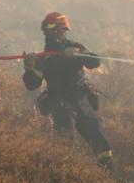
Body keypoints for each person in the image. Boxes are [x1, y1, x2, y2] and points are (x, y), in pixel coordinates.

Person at [23, 12, 113, 168]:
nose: (51, 33)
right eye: (48, 29)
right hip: (60, 102)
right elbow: (32, 85)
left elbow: (95, 62)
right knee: (65, 141)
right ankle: (64, 175)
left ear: (63, 30)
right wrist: (30, 69)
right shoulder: (43, 58)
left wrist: (79, 54)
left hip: (81, 100)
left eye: (56, 29)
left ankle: (108, 174)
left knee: (98, 139)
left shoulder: (75, 47)